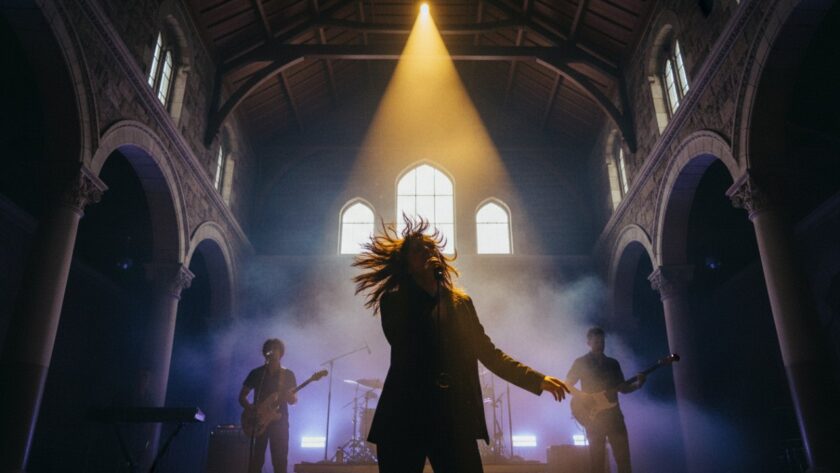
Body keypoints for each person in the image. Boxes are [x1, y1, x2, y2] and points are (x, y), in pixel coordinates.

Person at [352, 217, 570, 473]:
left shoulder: (461, 304)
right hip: (404, 415)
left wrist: (536, 379)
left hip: (452, 416)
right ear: (406, 264)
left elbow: (488, 353)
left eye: (431, 247)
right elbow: (406, 342)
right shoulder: (395, 301)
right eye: (418, 249)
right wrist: (435, 296)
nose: (428, 252)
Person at [565, 327, 645, 473]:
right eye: (596, 341)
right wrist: (582, 396)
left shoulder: (613, 363)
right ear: (588, 343)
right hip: (594, 419)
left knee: (623, 460)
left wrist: (638, 385)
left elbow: (623, 388)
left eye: (602, 341)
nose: (600, 344)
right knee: (597, 461)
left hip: (615, 416)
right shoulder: (581, 362)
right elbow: (567, 385)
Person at [239, 339, 297, 473]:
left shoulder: (288, 374)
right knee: (256, 461)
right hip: (258, 421)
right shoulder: (257, 373)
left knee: (280, 461)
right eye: (270, 349)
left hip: (280, 422)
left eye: (276, 348)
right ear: (265, 353)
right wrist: (251, 408)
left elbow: (293, 401)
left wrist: (290, 397)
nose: (273, 351)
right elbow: (242, 397)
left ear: (281, 352)